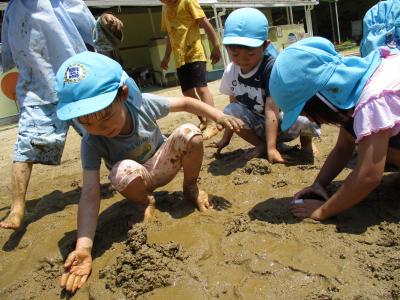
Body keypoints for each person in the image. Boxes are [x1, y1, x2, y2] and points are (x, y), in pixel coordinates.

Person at [55, 51, 243, 293]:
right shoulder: (92, 141)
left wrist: (219, 116)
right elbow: (90, 193)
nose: (99, 129)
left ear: (122, 95)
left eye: (105, 118)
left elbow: (186, 103)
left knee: (189, 133)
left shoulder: (141, 105)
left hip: (164, 163)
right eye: (86, 124)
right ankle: (147, 201)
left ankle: (191, 188)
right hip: (135, 180)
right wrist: (83, 247)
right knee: (120, 171)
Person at [0, 0, 123, 231]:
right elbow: (6, 53)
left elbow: (93, 32)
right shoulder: (12, 10)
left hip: (75, 82)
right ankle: (17, 207)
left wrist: (105, 23)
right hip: (35, 89)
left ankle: (123, 176)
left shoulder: (63, 1)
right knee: (25, 146)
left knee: (104, 135)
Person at [269, 36, 400, 221]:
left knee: (374, 154)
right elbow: (342, 148)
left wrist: (322, 211)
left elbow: (369, 176)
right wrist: (319, 184)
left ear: (321, 98)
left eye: (304, 111)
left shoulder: (373, 101)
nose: (305, 117)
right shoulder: (359, 80)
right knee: (364, 136)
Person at [213, 8, 320, 162]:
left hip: (283, 123)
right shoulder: (231, 70)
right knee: (230, 110)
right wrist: (226, 139)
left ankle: (307, 146)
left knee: (306, 117)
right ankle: (260, 145)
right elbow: (234, 106)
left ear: (265, 46)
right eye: (235, 54)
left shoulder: (271, 68)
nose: (242, 60)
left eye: (250, 54)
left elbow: (272, 109)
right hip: (257, 126)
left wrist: (272, 149)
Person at [160, 0, 222, 139]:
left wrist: (216, 46)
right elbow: (170, 35)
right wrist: (166, 57)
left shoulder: (188, 1)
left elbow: (205, 24)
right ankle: (205, 121)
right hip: (179, 58)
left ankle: (212, 123)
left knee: (201, 88)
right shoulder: (165, 9)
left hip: (194, 53)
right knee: (187, 92)